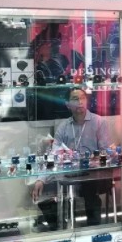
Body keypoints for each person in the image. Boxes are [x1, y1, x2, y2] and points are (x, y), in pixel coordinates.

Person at [31, 87, 112, 227]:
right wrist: (40, 179)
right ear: (68, 104)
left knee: (90, 188)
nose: (80, 101)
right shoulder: (63, 127)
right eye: (75, 99)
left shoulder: (99, 122)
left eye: (82, 98)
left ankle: (94, 228)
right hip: (69, 173)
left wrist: (97, 157)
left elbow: (106, 151)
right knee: (49, 186)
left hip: (92, 173)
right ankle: (62, 226)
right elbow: (53, 155)